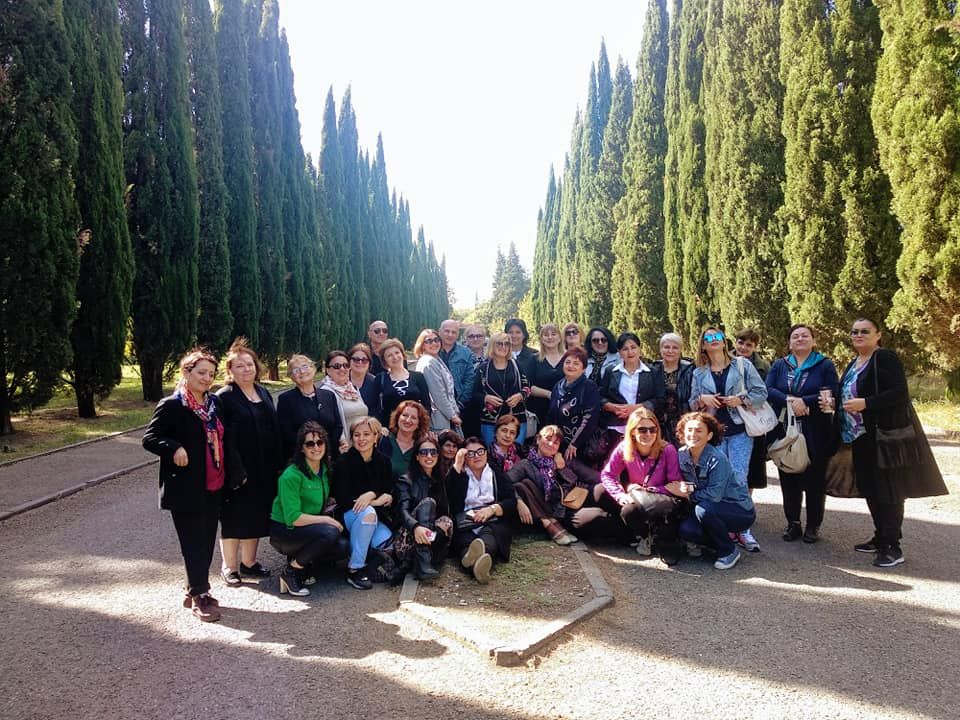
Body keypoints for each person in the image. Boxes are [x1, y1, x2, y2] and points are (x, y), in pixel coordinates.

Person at [839, 318, 946, 568]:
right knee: (871, 489)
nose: (858, 335)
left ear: (878, 335)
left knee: (889, 491)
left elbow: (899, 392)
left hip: (883, 436)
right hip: (860, 436)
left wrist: (866, 403)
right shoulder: (854, 362)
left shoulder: (884, 357)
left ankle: (892, 546)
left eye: (865, 331)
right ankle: (880, 537)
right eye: (854, 332)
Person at [142, 349, 226, 622]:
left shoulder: (213, 403)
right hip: (186, 487)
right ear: (186, 372)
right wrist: (174, 447)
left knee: (207, 539)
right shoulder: (172, 405)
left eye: (211, 373)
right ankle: (201, 595)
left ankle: (194, 588)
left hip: (213, 482)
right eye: (201, 372)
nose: (207, 378)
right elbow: (150, 438)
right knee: (193, 542)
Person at [689, 326, 767, 552]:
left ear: (724, 342)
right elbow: (692, 403)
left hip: (739, 430)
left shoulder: (742, 365)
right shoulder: (699, 373)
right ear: (703, 345)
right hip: (713, 434)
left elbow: (761, 393)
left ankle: (744, 528)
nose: (713, 340)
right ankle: (723, 527)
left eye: (717, 336)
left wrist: (741, 400)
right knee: (716, 481)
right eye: (708, 338)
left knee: (739, 479)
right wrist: (702, 399)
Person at [215, 339, 284, 587]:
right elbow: (221, 438)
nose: (246, 369)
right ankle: (230, 566)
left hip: (264, 467)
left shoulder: (262, 392)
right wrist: (234, 470)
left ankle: (249, 562)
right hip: (238, 468)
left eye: (249, 364)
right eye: (240, 366)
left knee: (256, 514)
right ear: (230, 370)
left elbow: (273, 428)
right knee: (234, 517)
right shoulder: (224, 397)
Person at [765, 325, 839, 543]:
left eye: (805, 335)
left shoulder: (824, 365)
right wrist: (790, 401)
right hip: (785, 428)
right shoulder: (780, 365)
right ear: (789, 343)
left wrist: (805, 402)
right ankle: (793, 523)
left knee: (815, 480)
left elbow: (832, 392)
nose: (800, 339)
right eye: (795, 336)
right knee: (789, 477)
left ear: (813, 341)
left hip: (817, 429)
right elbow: (768, 389)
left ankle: (813, 526)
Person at [269, 423, 349, 596]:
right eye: (310, 443)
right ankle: (291, 572)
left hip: (308, 528)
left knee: (343, 546)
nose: (316, 447)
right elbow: (293, 518)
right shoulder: (291, 475)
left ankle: (305, 564)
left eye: (320, 442)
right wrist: (327, 520)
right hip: (284, 531)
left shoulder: (325, 469)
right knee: (330, 532)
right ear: (302, 448)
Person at [671, 412, 756, 570]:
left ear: (709, 436)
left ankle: (728, 551)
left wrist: (688, 495)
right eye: (689, 430)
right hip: (706, 506)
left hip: (738, 509)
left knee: (704, 509)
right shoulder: (681, 454)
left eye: (699, 430)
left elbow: (714, 495)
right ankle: (720, 543)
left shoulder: (717, 458)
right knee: (687, 530)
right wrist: (681, 486)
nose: (693, 434)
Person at [596, 408, 683, 558]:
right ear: (632, 432)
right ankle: (643, 534)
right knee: (600, 492)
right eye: (642, 430)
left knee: (630, 512)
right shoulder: (624, 448)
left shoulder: (667, 450)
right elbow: (607, 474)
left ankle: (654, 532)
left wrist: (648, 489)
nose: (648, 434)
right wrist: (620, 495)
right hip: (637, 496)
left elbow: (674, 484)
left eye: (652, 429)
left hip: (659, 497)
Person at [333, 417, 395, 589]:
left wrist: (372, 496)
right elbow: (343, 498)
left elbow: (387, 491)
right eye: (357, 435)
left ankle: (367, 561)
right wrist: (374, 500)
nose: (361, 439)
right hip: (349, 515)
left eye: (366, 434)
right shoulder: (343, 462)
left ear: (376, 437)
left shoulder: (384, 461)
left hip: (375, 517)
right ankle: (355, 569)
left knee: (385, 541)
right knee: (368, 514)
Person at [447, 437, 518, 584]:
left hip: (492, 521)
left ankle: (473, 565)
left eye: (480, 451)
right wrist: (457, 465)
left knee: (488, 543)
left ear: (486, 452)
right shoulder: (459, 475)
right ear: (465, 457)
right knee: (466, 545)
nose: (476, 456)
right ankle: (478, 568)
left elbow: (511, 501)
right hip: (465, 523)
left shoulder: (496, 473)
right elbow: (448, 498)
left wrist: (492, 509)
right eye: (470, 453)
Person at [393, 435, 453, 581]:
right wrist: (416, 527)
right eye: (424, 452)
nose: (429, 456)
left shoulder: (440, 479)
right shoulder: (406, 480)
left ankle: (416, 562)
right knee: (428, 503)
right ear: (417, 457)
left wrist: (443, 524)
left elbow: (444, 510)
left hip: (431, 535)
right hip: (407, 538)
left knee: (447, 521)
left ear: (438, 455)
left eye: (433, 452)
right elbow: (402, 511)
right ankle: (423, 562)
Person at [508, 425, 579, 545]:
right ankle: (547, 522)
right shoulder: (526, 464)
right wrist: (518, 500)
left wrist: (560, 468)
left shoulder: (557, 461)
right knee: (521, 485)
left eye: (555, 443)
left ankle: (553, 521)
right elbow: (506, 482)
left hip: (559, 508)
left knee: (525, 483)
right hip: (532, 513)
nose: (551, 444)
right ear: (538, 439)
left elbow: (572, 482)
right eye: (548, 439)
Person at [277, 354, 343, 461]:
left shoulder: (328, 395)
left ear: (313, 369)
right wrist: (310, 450)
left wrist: (326, 448)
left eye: (305, 367)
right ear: (291, 377)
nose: (302, 372)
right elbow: (286, 432)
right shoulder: (286, 400)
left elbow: (338, 426)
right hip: (302, 458)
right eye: (296, 370)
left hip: (330, 456)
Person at [599, 332, 665, 437]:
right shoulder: (610, 371)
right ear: (619, 352)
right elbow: (601, 397)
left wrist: (636, 408)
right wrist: (612, 407)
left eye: (633, 347)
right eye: (625, 349)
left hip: (645, 427)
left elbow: (660, 399)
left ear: (639, 349)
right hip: (616, 428)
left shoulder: (653, 372)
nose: (630, 352)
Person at [473, 331, 530, 446]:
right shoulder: (483, 368)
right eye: (499, 343)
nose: (503, 347)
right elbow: (474, 393)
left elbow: (527, 387)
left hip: (516, 418)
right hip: (491, 420)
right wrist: (486, 398)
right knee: (492, 452)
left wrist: (520, 395)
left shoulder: (516, 365)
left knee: (516, 452)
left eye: (507, 344)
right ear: (492, 345)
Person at [734, 328, 772, 493]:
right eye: (741, 343)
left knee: (752, 466)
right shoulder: (726, 360)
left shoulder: (763, 366)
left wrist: (746, 401)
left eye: (749, 345)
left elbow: (766, 393)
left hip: (753, 418)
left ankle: (747, 500)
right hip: (731, 418)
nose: (743, 348)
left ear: (755, 347)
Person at [548, 346, 602, 463]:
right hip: (558, 444)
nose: (571, 366)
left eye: (576, 363)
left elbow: (589, 418)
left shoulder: (589, 387)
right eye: (567, 362)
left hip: (580, 446)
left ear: (584, 368)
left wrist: (574, 444)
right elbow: (551, 416)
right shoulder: (558, 386)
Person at [319, 350, 369, 454]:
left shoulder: (352, 388)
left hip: (363, 446)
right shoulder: (325, 392)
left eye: (346, 365)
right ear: (328, 370)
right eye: (337, 366)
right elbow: (331, 424)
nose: (342, 369)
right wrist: (342, 443)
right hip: (345, 449)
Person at [414, 328, 462, 432]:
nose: (434, 343)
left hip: (445, 415)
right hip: (439, 420)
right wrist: (452, 416)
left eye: (436, 340)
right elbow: (438, 394)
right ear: (422, 345)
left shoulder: (436, 359)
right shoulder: (429, 363)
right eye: (429, 341)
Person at [652, 332, 695, 447]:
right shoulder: (653, 369)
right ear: (660, 349)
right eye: (666, 347)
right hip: (658, 423)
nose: (670, 351)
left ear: (680, 350)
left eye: (675, 347)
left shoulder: (689, 370)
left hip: (683, 420)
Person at [377, 337, 432, 425]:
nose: (395, 357)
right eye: (389, 355)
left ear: (402, 354)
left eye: (397, 353)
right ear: (384, 360)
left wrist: (423, 425)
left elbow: (426, 405)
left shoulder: (418, 377)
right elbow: (375, 407)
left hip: (414, 427)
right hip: (389, 428)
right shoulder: (380, 379)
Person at [378, 400, 431, 478]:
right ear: (398, 417)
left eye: (413, 417)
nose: (408, 420)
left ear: (419, 423)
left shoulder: (421, 447)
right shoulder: (383, 441)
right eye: (405, 415)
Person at [528, 323, 565, 429]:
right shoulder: (534, 359)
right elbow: (530, 387)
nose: (550, 337)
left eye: (553, 334)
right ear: (541, 339)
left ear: (560, 338)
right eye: (546, 335)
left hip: (565, 409)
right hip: (541, 410)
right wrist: (550, 394)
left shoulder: (568, 358)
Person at [438, 319, 476, 415]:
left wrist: (461, 403)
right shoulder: (433, 351)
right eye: (447, 331)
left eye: (454, 332)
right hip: (436, 404)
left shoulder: (466, 353)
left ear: (458, 334)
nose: (450, 335)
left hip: (458, 403)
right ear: (440, 332)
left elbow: (470, 380)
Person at [461, 324, 488, 437]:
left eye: (479, 336)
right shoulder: (460, 356)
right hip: (466, 404)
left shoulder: (491, 355)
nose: (475, 339)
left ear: (484, 338)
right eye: (471, 336)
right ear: (466, 338)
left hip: (488, 404)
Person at [347, 343, 380, 414]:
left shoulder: (375, 382)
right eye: (356, 359)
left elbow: (377, 410)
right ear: (349, 361)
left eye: (364, 360)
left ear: (369, 363)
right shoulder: (340, 380)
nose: (360, 362)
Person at [505, 318, 538, 383]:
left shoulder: (535, 355)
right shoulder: (500, 355)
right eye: (510, 332)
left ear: (524, 335)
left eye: (518, 332)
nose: (514, 336)